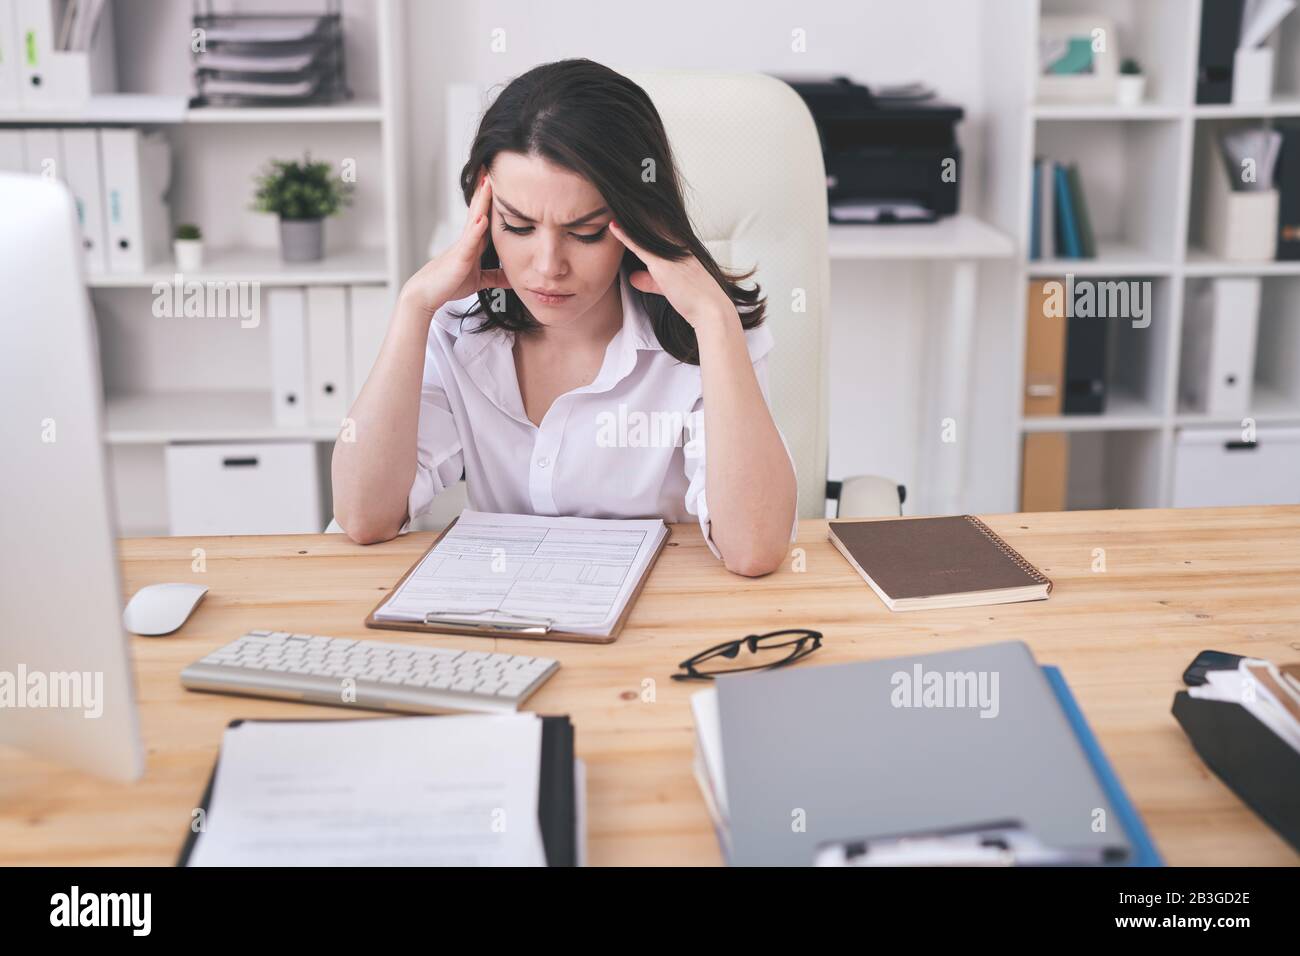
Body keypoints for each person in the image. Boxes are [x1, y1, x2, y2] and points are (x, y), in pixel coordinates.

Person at [332, 58, 797, 576]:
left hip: (663, 631)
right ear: (483, 209)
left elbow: (754, 549)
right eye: (518, 225)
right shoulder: (458, 326)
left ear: (635, 219)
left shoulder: (705, 333)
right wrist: (414, 307)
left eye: (586, 232)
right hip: (502, 634)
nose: (548, 267)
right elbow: (362, 516)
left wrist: (715, 320)